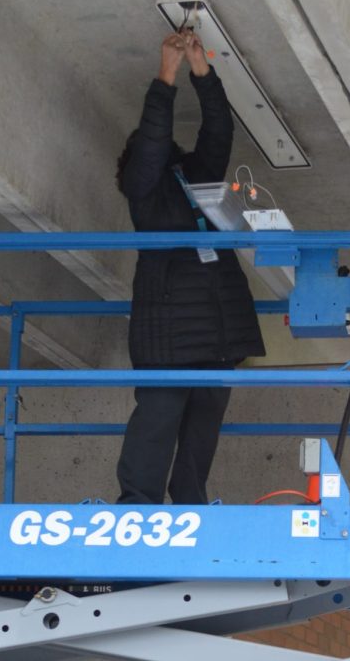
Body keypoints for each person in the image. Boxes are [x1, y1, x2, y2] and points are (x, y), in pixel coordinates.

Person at [114, 31, 265, 504]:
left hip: (216, 332)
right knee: (158, 419)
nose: (160, 150)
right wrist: (167, 74)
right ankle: (137, 506)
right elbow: (153, 140)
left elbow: (219, 130)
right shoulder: (143, 190)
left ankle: (191, 506)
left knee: (203, 427)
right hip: (168, 334)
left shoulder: (195, 177)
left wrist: (202, 69)